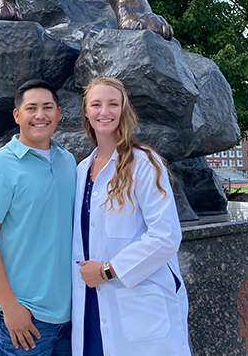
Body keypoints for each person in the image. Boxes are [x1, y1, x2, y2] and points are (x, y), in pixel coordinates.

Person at [72, 76, 191, 356]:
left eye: (113, 104)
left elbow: (166, 237)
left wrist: (107, 271)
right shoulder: (80, 170)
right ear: (86, 112)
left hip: (137, 301)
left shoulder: (146, 163)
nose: (105, 112)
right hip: (90, 302)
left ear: (123, 110)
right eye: (97, 104)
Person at [0, 79, 76, 356]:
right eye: (32, 108)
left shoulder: (68, 162)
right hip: (19, 318)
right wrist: (10, 307)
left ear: (59, 113)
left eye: (47, 107)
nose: (40, 115)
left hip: (68, 317)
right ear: (17, 115)